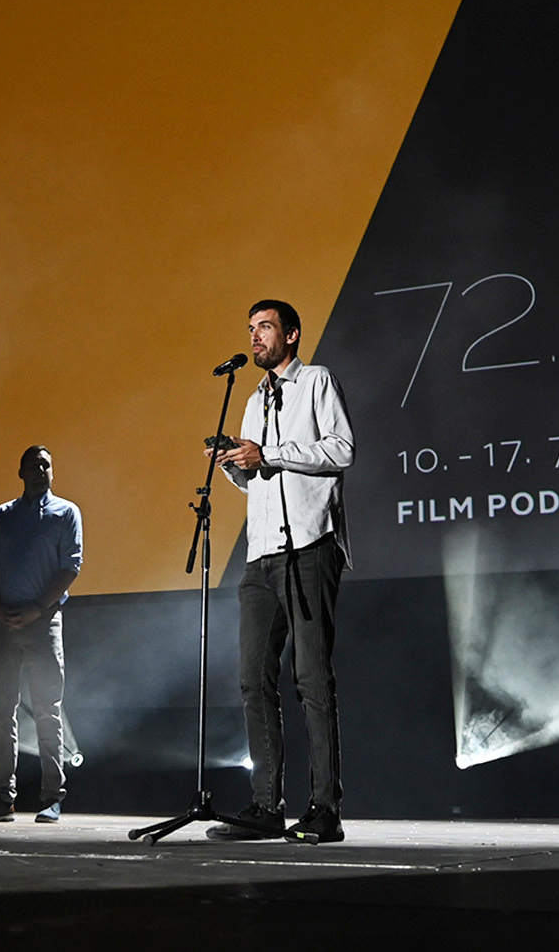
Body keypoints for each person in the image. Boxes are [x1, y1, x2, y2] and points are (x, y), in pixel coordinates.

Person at [206, 299, 354, 844]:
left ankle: (325, 811)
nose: (255, 336)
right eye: (251, 328)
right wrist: (234, 463)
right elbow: (258, 480)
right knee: (253, 679)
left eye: (265, 327)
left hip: (310, 545)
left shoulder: (317, 382)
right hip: (261, 553)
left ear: (291, 334)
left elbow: (341, 450)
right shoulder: (251, 399)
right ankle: (266, 806)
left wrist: (267, 452)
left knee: (311, 679)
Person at [0, 444, 83, 823]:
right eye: (33, 466)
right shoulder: (2, 515)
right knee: (1, 713)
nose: (40, 470)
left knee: (47, 711)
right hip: (3, 625)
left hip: (44, 622)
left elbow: (71, 567)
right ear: (20, 472)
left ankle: (52, 796)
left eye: (46, 465)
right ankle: (2, 797)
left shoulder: (66, 512)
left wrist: (37, 609)